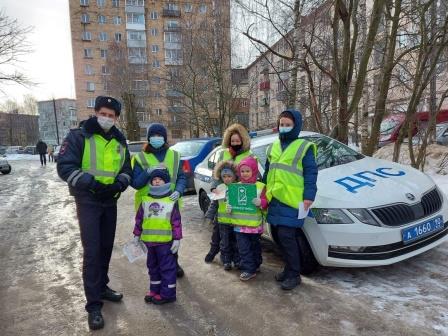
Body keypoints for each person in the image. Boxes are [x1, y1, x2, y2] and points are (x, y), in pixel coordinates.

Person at [57, 96, 132, 330]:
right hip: (88, 200)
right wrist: (91, 184)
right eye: (104, 113)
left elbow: (126, 169)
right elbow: (65, 167)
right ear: (95, 112)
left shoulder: (120, 141)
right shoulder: (78, 136)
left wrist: (119, 183)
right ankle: (93, 306)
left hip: (110, 200)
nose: (107, 119)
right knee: (92, 251)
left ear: (116, 118)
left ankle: (102, 286)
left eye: (112, 116)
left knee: (106, 247)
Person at [263, 109, 318, 290]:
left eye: (288, 125)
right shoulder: (273, 147)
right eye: (282, 124)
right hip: (275, 199)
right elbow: (267, 173)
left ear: (296, 126)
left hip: (292, 200)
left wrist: (309, 195)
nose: (284, 128)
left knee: (288, 237)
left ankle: (295, 274)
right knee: (279, 237)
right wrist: (263, 191)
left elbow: (311, 173)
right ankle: (288, 269)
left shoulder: (304, 147)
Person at [131, 123, 187, 277]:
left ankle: (173, 264)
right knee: (153, 239)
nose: (156, 138)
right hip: (148, 207)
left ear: (165, 137)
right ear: (148, 138)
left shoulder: (175, 155)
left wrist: (179, 190)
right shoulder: (140, 158)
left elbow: (182, 177)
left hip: (170, 204)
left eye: (159, 135)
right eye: (153, 135)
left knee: (172, 235)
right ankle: (157, 268)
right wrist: (147, 173)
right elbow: (135, 183)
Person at [204, 123, 255, 262]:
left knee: (233, 234)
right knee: (218, 229)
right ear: (228, 141)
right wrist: (214, 187)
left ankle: (233, 258)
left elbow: (252, 175)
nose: (235, 143)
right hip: (222, 194)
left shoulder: (249, 155)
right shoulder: (223, 153)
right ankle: (213, 250)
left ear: (243, 140)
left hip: (239, 195)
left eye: (238, 141)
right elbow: (216, 173)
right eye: (233, 141)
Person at [133, 168, 181, 305]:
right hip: (149, 243)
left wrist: (177, 239)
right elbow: (139, 219)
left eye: (160, 179)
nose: (157, 181)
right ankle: (155, 290)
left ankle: (168, 294)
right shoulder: (146, 200)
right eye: (154, 179)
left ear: (165, 182)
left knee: (167, 268)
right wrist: (136, 234)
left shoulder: (170, 200)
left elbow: (176, 221)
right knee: (152, 267)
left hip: (165, 243)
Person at [230, 156, 268, 281]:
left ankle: (256, 264)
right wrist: (229, 207)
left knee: (255, 246)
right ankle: (249, 269)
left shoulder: (260, 186)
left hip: (254, 226)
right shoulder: (235, 186)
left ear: (254, 171)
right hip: (240, 226)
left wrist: (261, 202)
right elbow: (231, 202)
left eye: (247, 171)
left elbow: (266, 202)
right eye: (242, 171)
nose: (245, 174)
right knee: (243, 248)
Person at [204, 161, 239, 270]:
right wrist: (209, 217)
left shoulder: (238, 187)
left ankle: (237, 261)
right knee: (225, 243)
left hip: (236, 221)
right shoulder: (220, 188)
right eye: (224, 176)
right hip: (222, 222)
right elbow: (214, 204)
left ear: (234, 176)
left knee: (236, 242)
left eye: (229, 176)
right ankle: (226, 261)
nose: (227, 178)